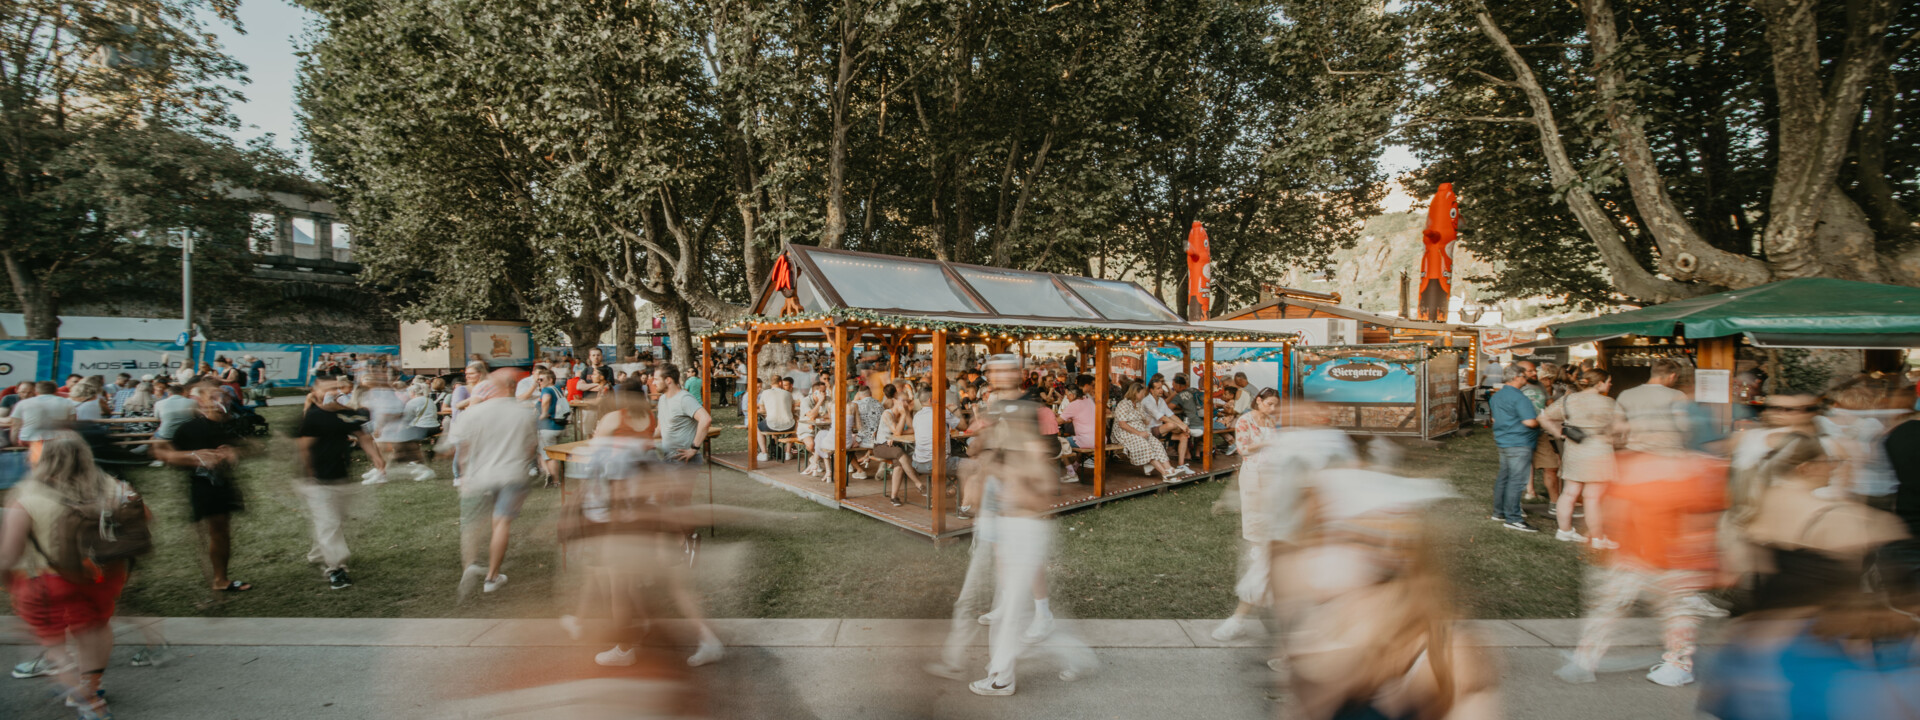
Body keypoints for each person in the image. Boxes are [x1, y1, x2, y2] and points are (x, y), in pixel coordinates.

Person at [0, 432, 139, 719]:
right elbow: (141, 518)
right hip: (102, 575)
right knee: (95, 629)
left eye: (34, 451)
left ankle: (88, 701)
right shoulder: (110, 485)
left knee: (54, 645)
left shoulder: (28, 496)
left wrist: (5, 581)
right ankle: (92, 684)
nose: (28, 455)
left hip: (48, 581)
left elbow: (8, 556)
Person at [437, 372, 537, 598]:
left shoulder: (475, 413)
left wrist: (463, 475)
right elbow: (531, 447)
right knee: (500, 523)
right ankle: (492, 577)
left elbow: (461, 448)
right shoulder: (523, 414)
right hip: (512, 474)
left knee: (472, 524)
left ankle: (469, 566)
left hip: (479, 476)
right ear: (512, 387)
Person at [152, 382, 253, 594]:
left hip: (223, 482)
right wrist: (192, 456)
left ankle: (220, 579)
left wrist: (236, 451)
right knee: (212, 531)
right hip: (201, 484)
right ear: (200, 402)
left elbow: (255, 447)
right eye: (212, 397)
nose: (219, 401)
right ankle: (218, 579)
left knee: (221, 531)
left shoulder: (236, 423)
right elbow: (160, 451)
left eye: (222, 396)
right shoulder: (188, 427)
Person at [293, 377, 387, 590]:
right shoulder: (312, 417)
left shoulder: (344, 413)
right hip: (316, 479)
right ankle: (336, 568)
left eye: (336, 388)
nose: (333, 392)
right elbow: (304, 448)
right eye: (328, 389)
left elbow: (362, 436)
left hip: (339, 476)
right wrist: (309, 473)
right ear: (316, 392)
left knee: (334, 520)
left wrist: (377, 458)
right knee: (329, 522)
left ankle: (318, 553)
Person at [1538, 368, 1626, 548]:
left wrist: (1560, 434)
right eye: (1608, 381)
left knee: (1569, 492)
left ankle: (1564, 531)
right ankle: (1598, 538)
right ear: (1600, 383)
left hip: (1574, 448)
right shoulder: (1609, 402)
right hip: (1599, 450)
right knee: (1592, 497)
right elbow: (1620, 428)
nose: (1610, 384)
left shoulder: (1569, 399)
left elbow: (1545, 417)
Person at [1489, 363, 1540, 532]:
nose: (1526, 379)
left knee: (1504, 477)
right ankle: (1513, 518)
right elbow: (1530, 422)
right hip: (1519, 442)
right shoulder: (1520, 397)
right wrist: (1540, 420)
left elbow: (1495, 419)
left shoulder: (1497, 396)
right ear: (1517, 377)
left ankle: (1499, 512)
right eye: (1524, 376)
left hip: (1503, 440)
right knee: (1516, 481)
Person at [1110, 382, 1183, 479]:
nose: (1144, 395)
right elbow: (1122, 424)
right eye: (1142, 393)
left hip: (1139, 430)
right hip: (1125, 433)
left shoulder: (1139, 404)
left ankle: (1169, 469)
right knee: (1144, 445)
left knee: (1155, 443)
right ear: (1135, 392)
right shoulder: (1124, 404)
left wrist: (1145, 424)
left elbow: (1144, 420)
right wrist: (1139, 433)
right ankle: (1165, 474)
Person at [651, 363, 711, 464]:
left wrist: (694, 449)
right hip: (668, 457)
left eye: (656, 379)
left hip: (682, 459)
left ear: (668, 380)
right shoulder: (662, 399)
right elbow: (660, 429)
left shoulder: (684, 399)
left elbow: (706, 419)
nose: (653, 382)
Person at [11, 381, 75, 463]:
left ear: (36, 391)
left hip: (29, 439)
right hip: (57, 440)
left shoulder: (22, 403)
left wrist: (14, 443)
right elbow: (72, 423)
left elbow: (15, 426)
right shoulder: (68, 402)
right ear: (56, 391)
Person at [1141, 380, 1193, 467]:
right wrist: (1179, 425)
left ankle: (1181, 465)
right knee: (1171, 425)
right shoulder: (1147, 401)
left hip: (1161, 430)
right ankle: (1178, 429)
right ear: (1151, 390)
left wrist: (1184, 425)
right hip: (1148, 431)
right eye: (1158, 388)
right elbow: (1161, 417)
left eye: (1161, 387)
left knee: (1184, 436)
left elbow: (1171, 415)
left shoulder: (1161, 400)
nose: (1161, 390)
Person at [533, 367, 567, 481]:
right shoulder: (557, 388)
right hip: (559, 426)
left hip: (548, 427)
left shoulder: (546, 390)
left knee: (549, 457)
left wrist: (543, 414)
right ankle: (549, 474)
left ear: (550, 380)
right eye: (538, 379)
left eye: (541, 379)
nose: (539, 382)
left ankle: (555, 480)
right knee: (549, 454)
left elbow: (546, 400)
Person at [755, 376, 797, 462]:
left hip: (771, 425)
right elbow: (792, 410)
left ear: (771, 383)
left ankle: (764, 453)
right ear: (780, 383)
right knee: (795, 424)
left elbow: (762, 410)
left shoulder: (765, 393)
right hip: (789, 425)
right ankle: (788, 452)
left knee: (757, 427)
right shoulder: (788, 394)